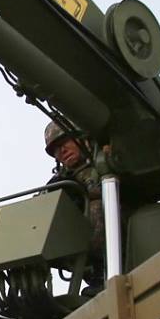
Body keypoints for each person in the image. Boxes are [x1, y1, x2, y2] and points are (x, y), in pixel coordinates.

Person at [45, 120, 106, 287]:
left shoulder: (105, 160)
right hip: (81, 242)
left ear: (81, 138)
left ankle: (102, 271)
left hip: (122, 224)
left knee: (95, 208)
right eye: (56, 149)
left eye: (65, 142)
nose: (62, 150)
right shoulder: (59, 182)